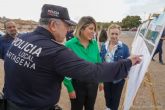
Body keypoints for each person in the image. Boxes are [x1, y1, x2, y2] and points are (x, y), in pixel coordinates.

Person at [3, 4, 141, 110]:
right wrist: (128, 62)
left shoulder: (21, 39)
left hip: (11, 103)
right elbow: (94, 71)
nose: (68, 30)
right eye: (66, 25)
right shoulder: (55, 51)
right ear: (52, 25)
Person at [63, 16, 103, 110]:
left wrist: (101, 80)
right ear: (81, 28)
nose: (94, 32)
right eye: (91, 29)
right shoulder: (69, 45)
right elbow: (64, 69)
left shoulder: (94, 44)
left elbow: (98, 62)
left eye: (94, 29)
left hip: (93, 83)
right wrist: (70, 88)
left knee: (90, 108)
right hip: (77, 85)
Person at [100, 24, 130, 110]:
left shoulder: (124, 48)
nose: (114, 36)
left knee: (115, 100)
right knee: (107, 96)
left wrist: (125, 74)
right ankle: (108, 107)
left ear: (119, 34)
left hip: (118, 79)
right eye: (112, 33)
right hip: (106, 77)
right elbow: (101, 61)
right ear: (108, 33)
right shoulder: (103, 46)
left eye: (116, 34)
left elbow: (128, 62)